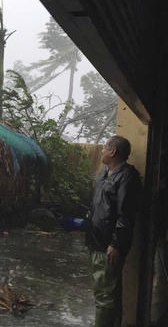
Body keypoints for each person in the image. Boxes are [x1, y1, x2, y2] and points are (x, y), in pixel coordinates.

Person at [85, 135, 142, 327]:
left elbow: (126, 214)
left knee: (104, 296)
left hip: (109, 245)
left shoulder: (127, 177)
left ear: (113, 151)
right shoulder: (104, 173)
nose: (101, 150)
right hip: (96, 241)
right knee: (110, 291)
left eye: (104, 148)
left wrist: (116, 244)